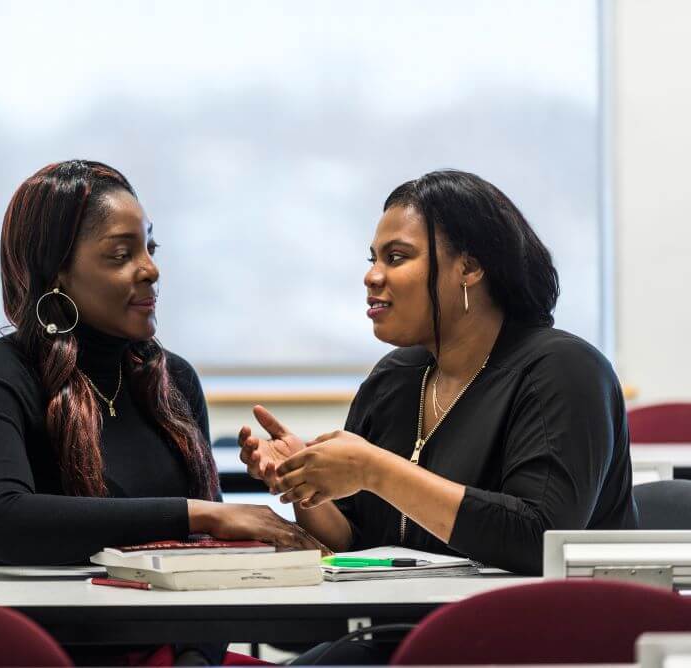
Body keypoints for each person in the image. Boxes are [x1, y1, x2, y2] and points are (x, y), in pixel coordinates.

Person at [0, 160, 321, 665]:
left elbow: (213, 569)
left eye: (150, 248)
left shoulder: (173, 380)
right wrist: (200, 513)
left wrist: (195, 659)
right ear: (57, 272)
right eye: (122, 254)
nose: (150, 268)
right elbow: (5, 522)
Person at [239, 170, 638, 582]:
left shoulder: (563, 370)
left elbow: (540, 538)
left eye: (396, 258)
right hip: (405, 628)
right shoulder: (394, 377)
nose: (372, 276)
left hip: (543, 637)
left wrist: (374, 469)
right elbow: (358, 543)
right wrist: (303, 484)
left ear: (469, 267)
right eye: (372, 259)